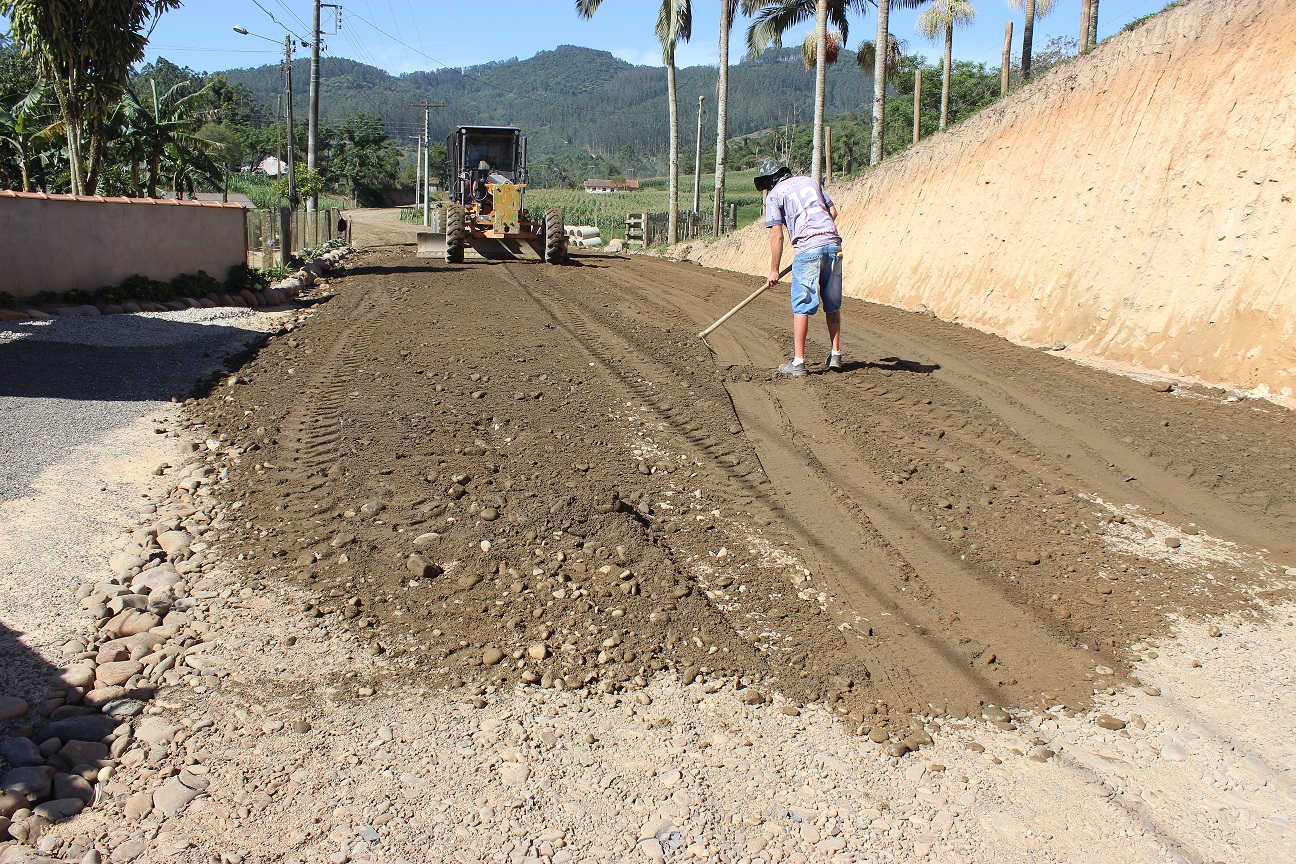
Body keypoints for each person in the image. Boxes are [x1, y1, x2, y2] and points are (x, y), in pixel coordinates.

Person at [755, 160, 843, 377]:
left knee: (802, 305)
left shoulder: (775, 195)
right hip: (833, 245)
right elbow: (833, 211)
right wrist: (821, 235)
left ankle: (799, 362)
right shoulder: (811, 182)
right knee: (832, 303)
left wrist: (774, 269)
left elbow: (777, 235)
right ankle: (836, 354)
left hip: (807, 249)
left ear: (770, 180)